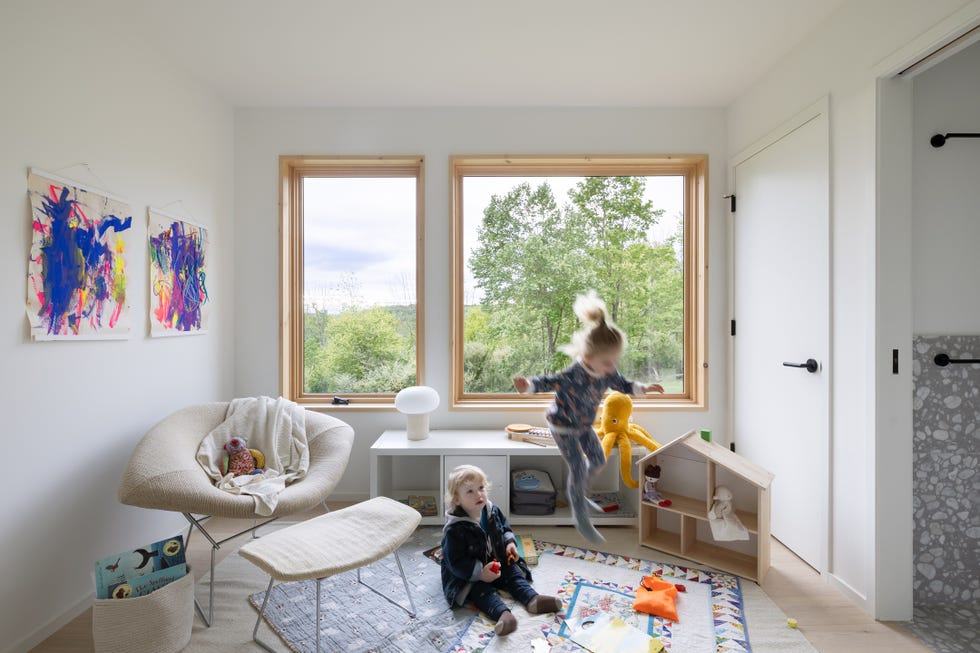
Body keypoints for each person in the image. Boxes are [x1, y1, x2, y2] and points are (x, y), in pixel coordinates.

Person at [513, 291, 663, 544]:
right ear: (587, 357)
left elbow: (623, 384)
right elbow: (548, 381)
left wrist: (644, 388)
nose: (611, 367)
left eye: (615, 361)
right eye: (607, 362)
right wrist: (527, 386)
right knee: (578, 466)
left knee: (598, 458)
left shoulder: (607, 372)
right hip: (562, 427)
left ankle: (579, 491)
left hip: (583, 426)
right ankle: (580, 515)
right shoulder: (574, 373)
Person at [440, 464, 562, 636]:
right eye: (470, 491)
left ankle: (532, 599)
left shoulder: (492, 511)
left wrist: (509, 544)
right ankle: (503, 615)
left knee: (513, 572)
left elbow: (504, 528)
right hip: (470, 573)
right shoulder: (455, 529)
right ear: (456, 500)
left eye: (481, 488)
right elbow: (456, 562)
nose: (479, 494)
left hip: (495, 559)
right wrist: (480, 573)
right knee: (479, 591)